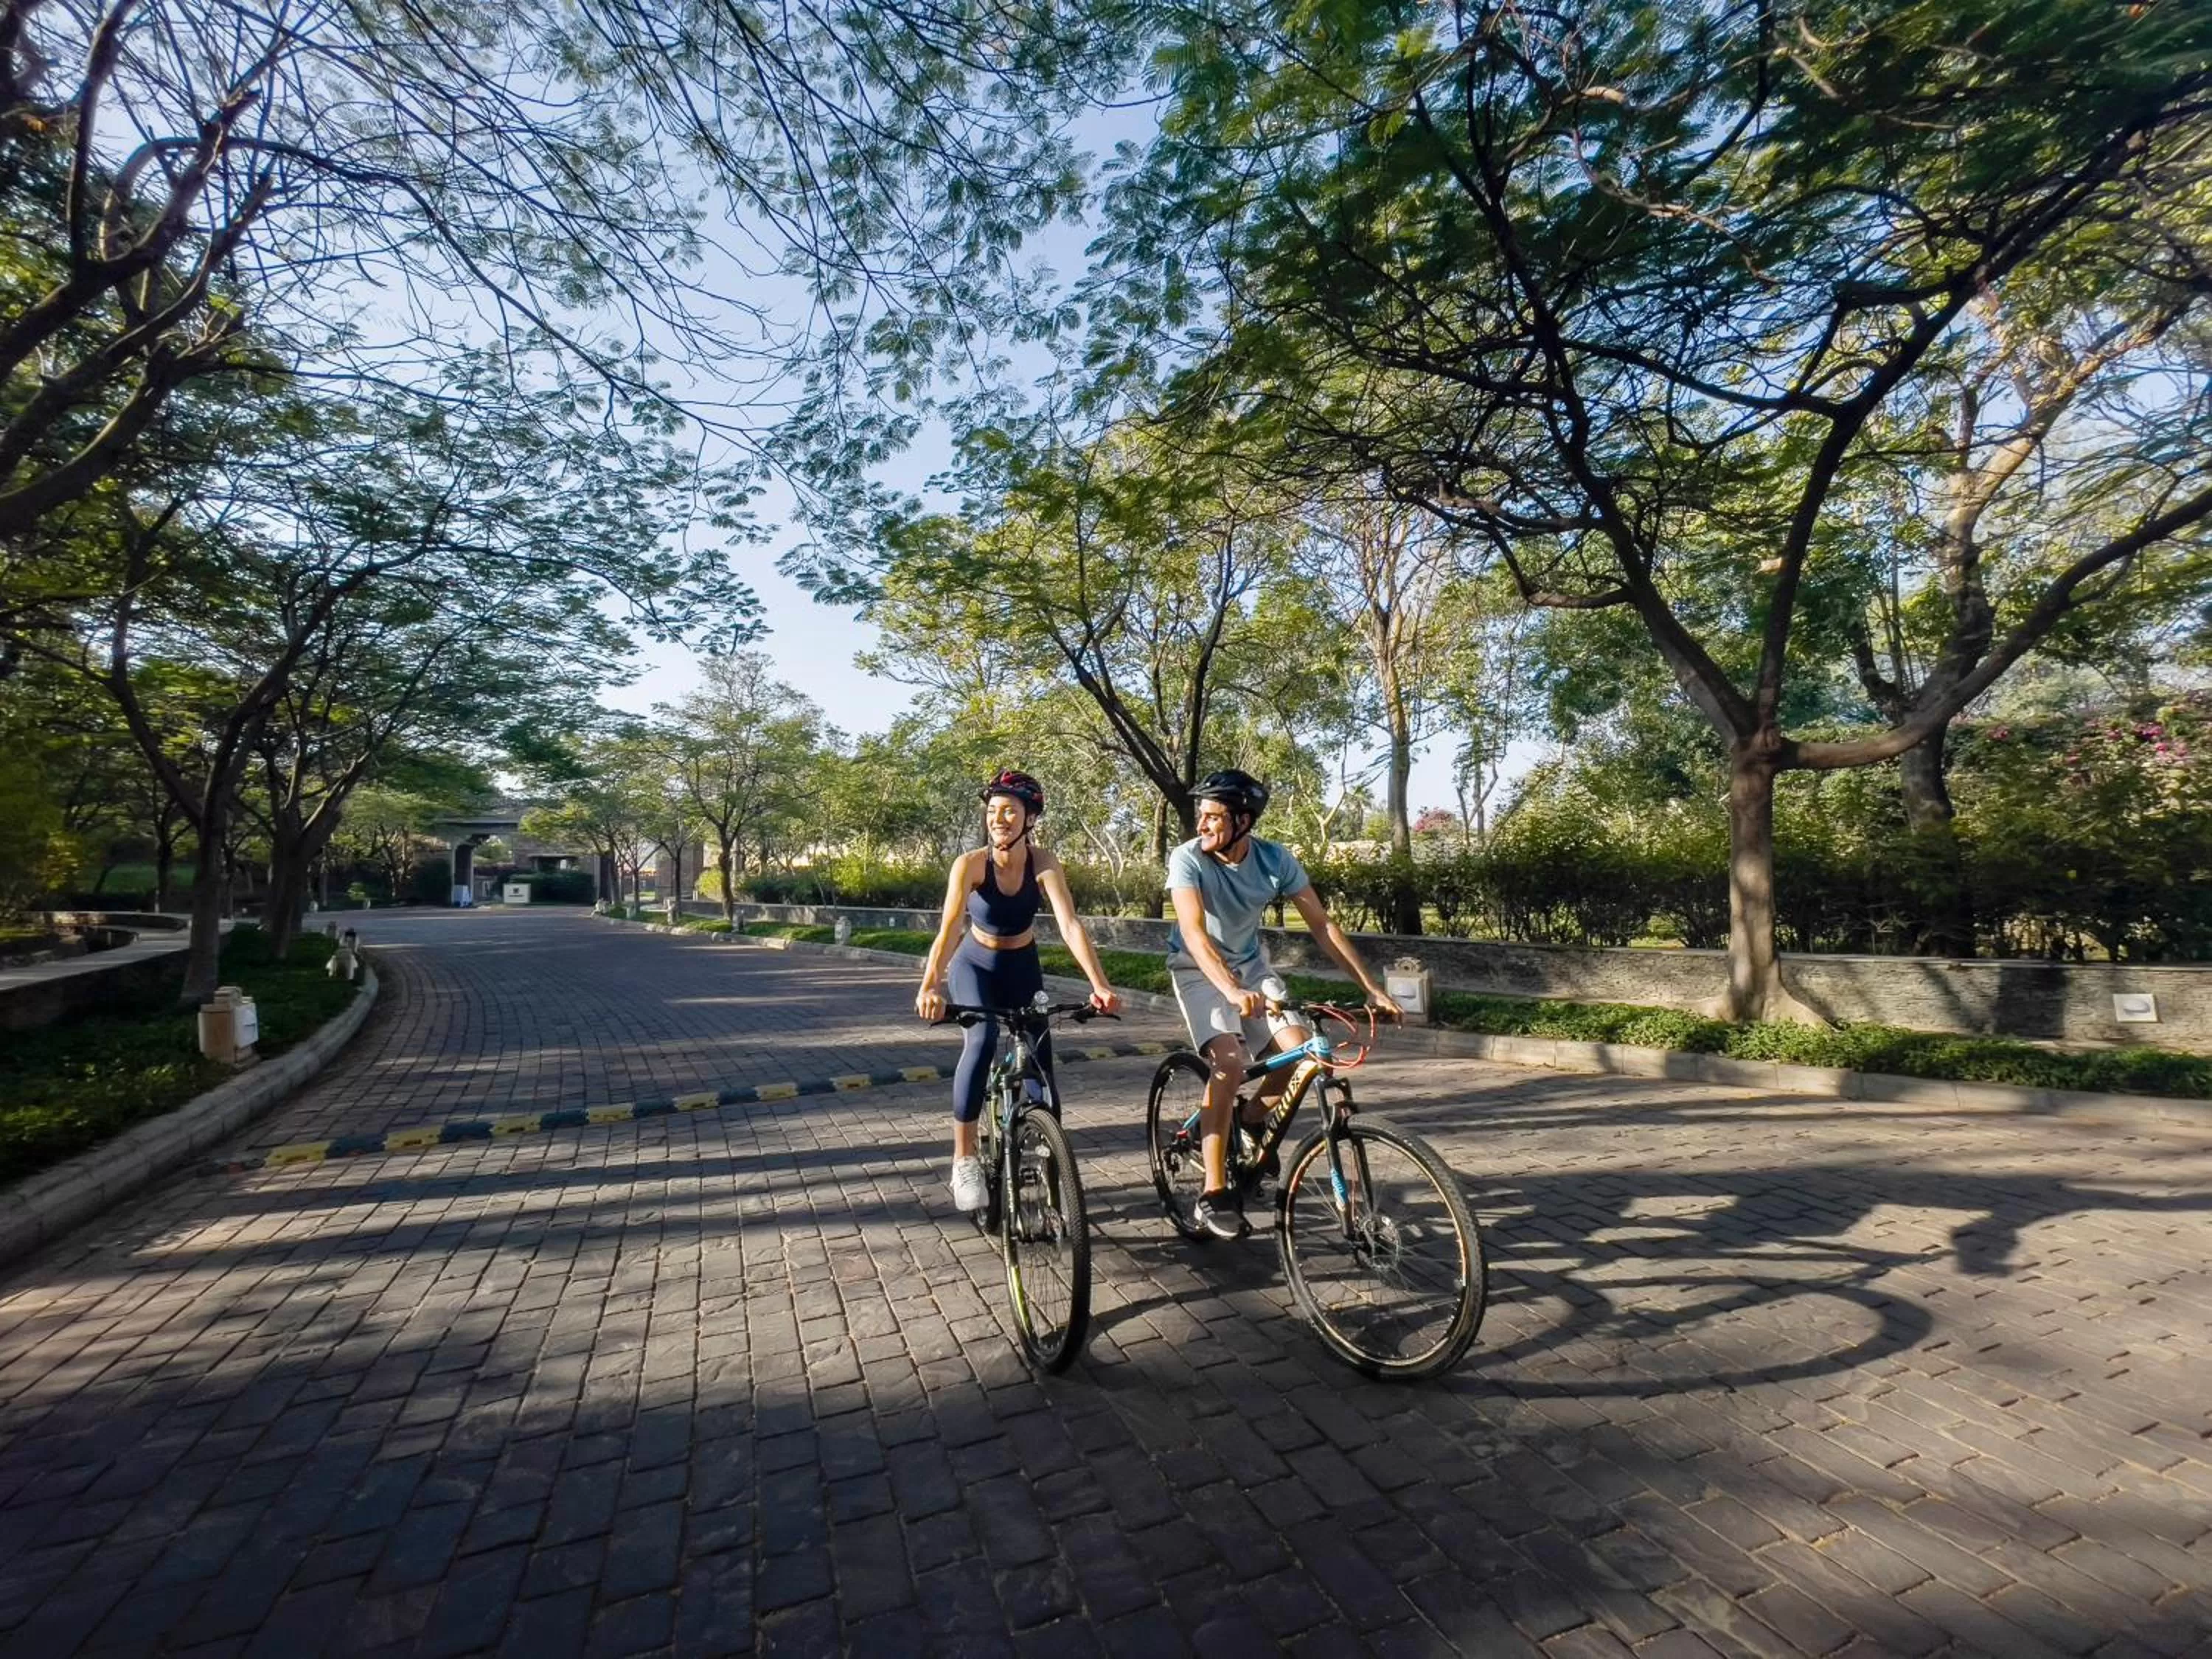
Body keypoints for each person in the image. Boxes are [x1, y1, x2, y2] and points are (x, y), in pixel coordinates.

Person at [1166, 768, 1399, 1239]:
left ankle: (1249, 1120)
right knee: (1228, 1064)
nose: (1202, 826)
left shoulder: (1275, 860)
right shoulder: (1188, 858)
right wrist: (1231, 992)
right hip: (1197, 969)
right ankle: (1214, 1193)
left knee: (1305, 1054)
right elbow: (1192, 932)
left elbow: (1323, 926)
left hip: (1252, 969)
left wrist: (1371, 988)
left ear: (1243, 820)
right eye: (1202, 816)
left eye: (1214, 817)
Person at [916, 769, 1121, 1211]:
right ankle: (965, 1158)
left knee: (1042, 1061)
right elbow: (950, 928)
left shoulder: (1044, 862)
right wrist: (931, 982)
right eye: (992, 811)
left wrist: (1099, 983)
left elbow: (1069, 925)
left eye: (1009, 810)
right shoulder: (971, 864)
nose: (999, 818)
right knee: (983, 1040)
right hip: (976, 966)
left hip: (1022, 967)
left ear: (1030, 817)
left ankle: (1053, 1165)